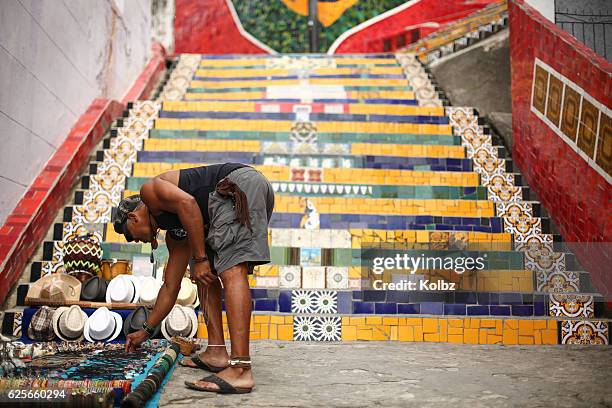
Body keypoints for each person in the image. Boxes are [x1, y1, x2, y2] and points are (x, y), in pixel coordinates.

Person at [112, 163, 274, 394]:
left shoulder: (150, 192)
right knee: (204, 277)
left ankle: (240, 369)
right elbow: (171, 286)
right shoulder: (176, 233)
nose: (134, 240)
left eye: (129, 235)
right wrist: (146, 330)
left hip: (236, 187)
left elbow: (188, 203)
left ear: (132, 217)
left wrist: (200, 258)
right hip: (236, 194)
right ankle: (217, 352)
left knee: (232, 270)